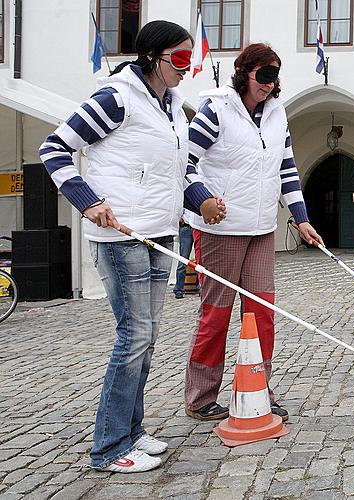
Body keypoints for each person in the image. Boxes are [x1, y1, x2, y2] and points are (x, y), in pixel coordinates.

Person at [39, 21, 225, 473]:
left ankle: (132, 431)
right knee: (134, 337)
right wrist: (88, 203)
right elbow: (55, 148)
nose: (187, 67)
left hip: (160, 233)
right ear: (153, 57)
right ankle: (108, 447)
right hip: (121, 235)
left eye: (190, 58)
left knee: (146, 338)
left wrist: (202, 200)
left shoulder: (172, 107)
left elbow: (175, 173)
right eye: (180, 58)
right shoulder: (116, 97)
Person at [183, 43, 323, 423]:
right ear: (244, 72)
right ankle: (200, 396)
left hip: (262, 229)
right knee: (216, 314)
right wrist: (202, 199)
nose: (269, 83)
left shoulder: (278, 117)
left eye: (274, 76)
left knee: (262, 313)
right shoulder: (215, 110)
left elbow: (288, 170)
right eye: (263, 75)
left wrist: (301, 217)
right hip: (220, 229)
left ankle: (259, 388)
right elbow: (183, 161)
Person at [173, 211, 194, 298]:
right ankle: (179, 288)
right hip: (186, 227)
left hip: (198, 228)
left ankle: (200, 286)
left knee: (201, 260)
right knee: (183, 259)